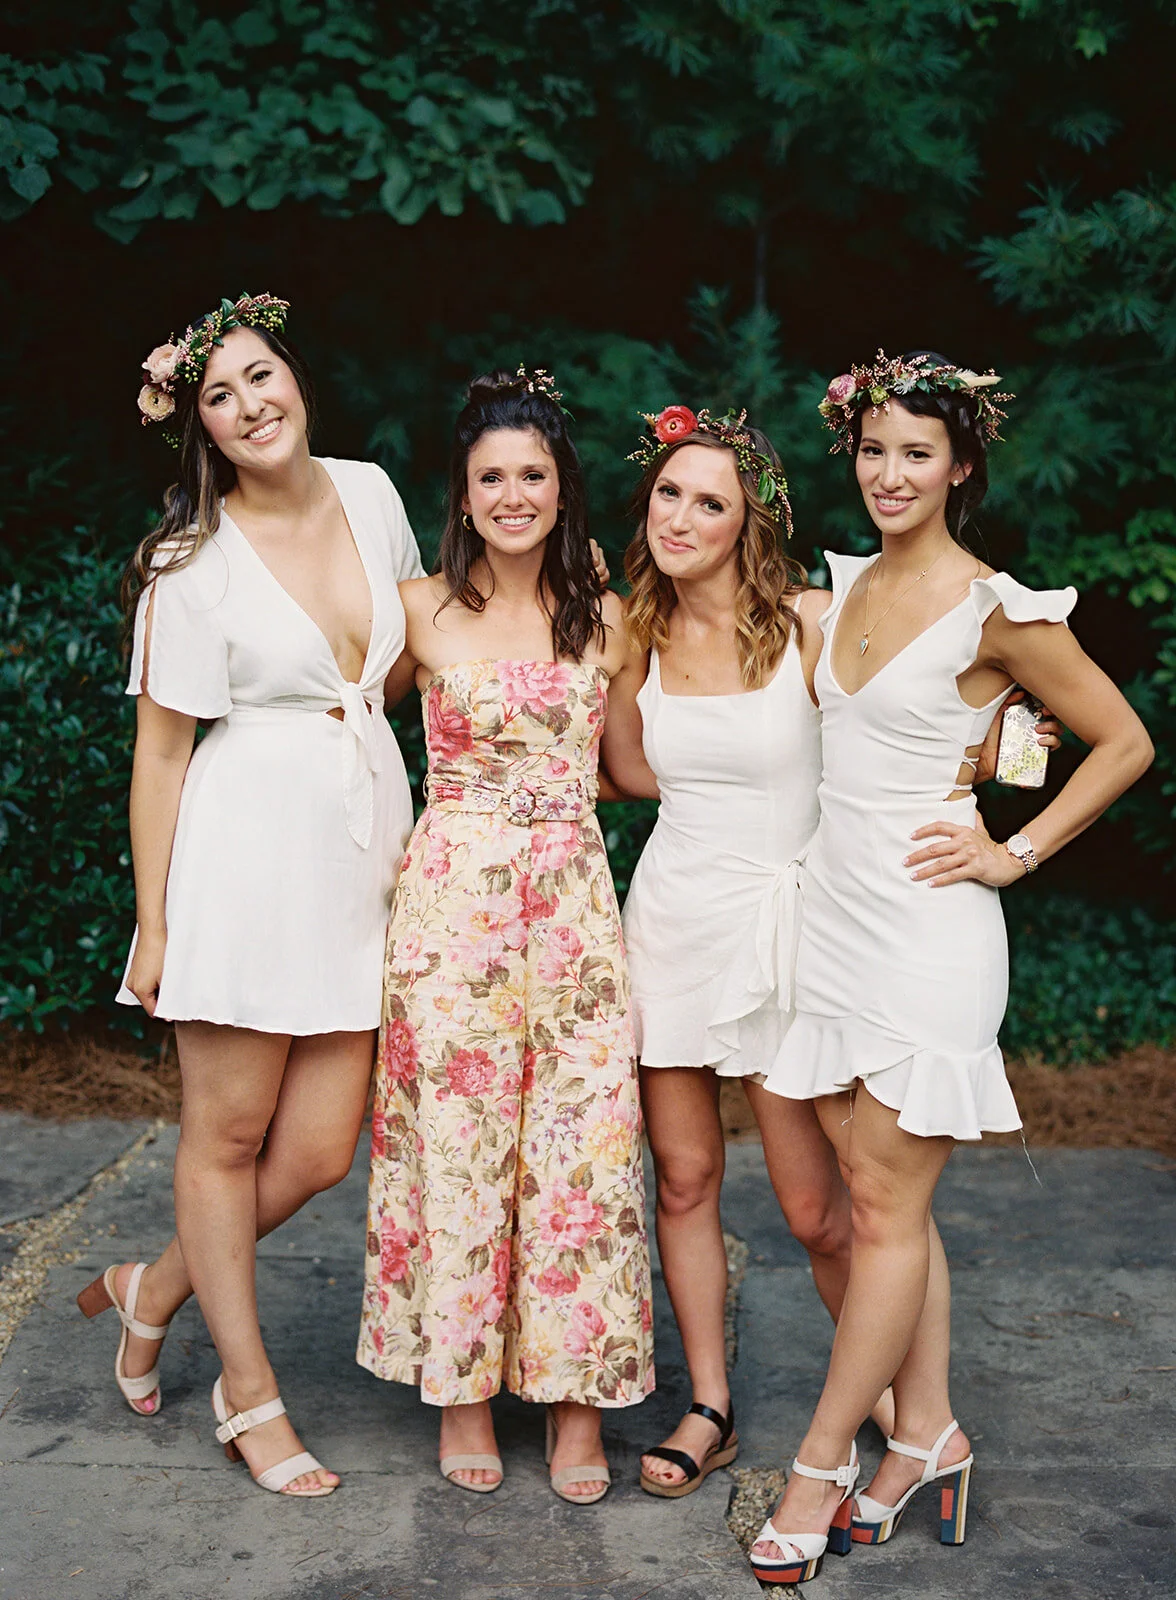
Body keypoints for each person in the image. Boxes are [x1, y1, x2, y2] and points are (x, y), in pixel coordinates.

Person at [749, 350, 1153, 1584]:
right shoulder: (845, 584)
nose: (889, 472)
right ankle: (926, 1432)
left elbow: (1124, 740)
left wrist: (1014, 849)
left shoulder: (999, 610)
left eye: (916, 452)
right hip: (834, 919)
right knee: (879, 1212)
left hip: (931, 926)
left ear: (960, 465)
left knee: (882, 1205)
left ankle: (821, 1465)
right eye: (872, 450)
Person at [600, 404, 1054, 1498]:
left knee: (822, 1207)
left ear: (750, 520)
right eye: (669, 493)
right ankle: (707, 1403)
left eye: (711, 500)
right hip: (676, 915)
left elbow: (939, 708)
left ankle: (906, 1414)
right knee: (686, 1178)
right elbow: (623, 772)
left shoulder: (811, 618)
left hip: (804, 926)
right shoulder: (626, 630)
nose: (683, 516)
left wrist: (997, 777)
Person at [78, 292, 423, 1497]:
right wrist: (157, 922)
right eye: (218, 395)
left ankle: (155, 1287)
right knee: (225, 1136)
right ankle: (250, 1391)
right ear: (201, 430)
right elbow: (161, 754)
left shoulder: (372, 493)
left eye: (261, 375)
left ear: (298, 380)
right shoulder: (193, 565)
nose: (249, 404)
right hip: (242, 854)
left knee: (324, 1147)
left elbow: (425, 648)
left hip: (367, 844)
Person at [356, 368, 654, 1505]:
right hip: (453, 910)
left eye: (533, 473)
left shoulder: (610, 616)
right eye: (493, 476)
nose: (513, 493)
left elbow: (627, 770)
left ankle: (576, 1405)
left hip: (573, 910)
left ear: (562, 487)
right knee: (465, 1139)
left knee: (579, 1141)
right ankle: (465, 1391)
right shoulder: (418, 609)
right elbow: (346, 730)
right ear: (464, 493)